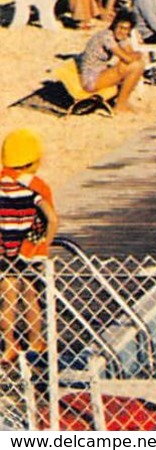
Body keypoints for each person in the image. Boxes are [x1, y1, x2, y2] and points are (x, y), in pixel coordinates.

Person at [0, 130, 59, 361]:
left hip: (7, 250)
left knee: (9, 297)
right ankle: (36, 340)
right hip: (32, 248)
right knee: (32, 296)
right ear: (35, 160)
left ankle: (9, 344)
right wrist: (47, 242)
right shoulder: (36, 186)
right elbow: (51, 218)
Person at [77, 11, 146, 113]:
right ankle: (120, 105)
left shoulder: (120, 37)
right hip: (91, 79)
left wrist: (135, 55)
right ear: (114, 25)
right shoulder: (106, 36)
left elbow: (131, 54)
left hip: (100, 73)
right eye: (119, 27)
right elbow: (128, 58)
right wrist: (138, 54)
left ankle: (123, 103)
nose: (121, 31)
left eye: (125, 29)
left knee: (135, 65)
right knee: (135, 66)